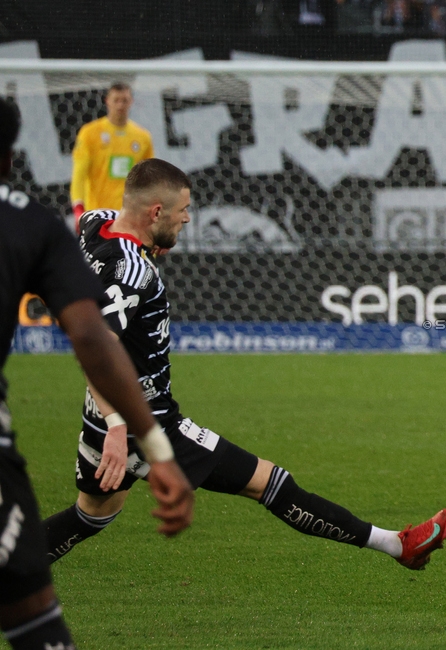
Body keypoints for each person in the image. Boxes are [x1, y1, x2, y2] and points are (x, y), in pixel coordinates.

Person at [44, 158, 446, 572]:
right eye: (183, 210)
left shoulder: (95, 223)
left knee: (90, 516)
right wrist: (118, 427)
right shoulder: (131, 271)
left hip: (99, 415)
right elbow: (95, 349)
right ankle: (400, 546)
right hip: (144, 423)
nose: (187, 218)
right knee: (271, 483)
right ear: (155, 212)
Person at [0, 99, 193, 650]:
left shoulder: (87, 223)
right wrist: (139, 438)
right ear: (11, 156)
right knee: (28, 596)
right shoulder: (29, 224)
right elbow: (91, 337)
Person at [70, 82, 154, 231]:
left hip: (129, 218)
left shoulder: (142, 137)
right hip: (97, 217)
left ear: (131, 102)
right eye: (116, 100)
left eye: (125, 100)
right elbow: (79, 175)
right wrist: (78, 209)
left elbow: (148, 181)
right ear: (107, 101)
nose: (120, 105)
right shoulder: (90, 133)